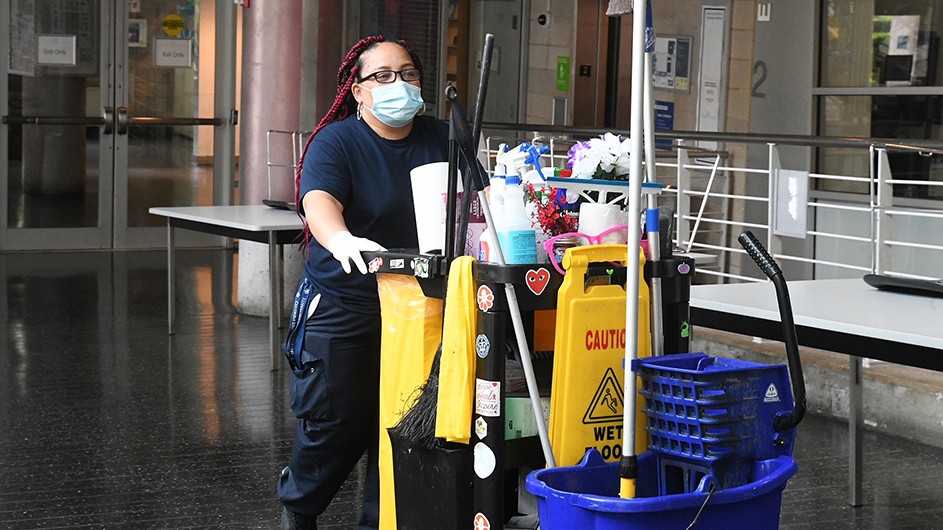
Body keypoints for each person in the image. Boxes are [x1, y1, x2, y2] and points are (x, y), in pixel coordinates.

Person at [278, 36, 450, 530]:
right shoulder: (338, 142)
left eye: (409, 74)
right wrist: (342, 239)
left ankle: (381, 521)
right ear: (356, 90)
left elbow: (476, 201)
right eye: (382, 76)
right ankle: (300, 506)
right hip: (346, 304)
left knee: (406, 426)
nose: (398, 84)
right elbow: (318, 201)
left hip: (423, 306)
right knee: (337, 423)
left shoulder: (443, 137)